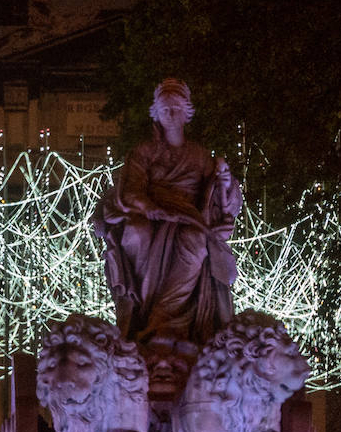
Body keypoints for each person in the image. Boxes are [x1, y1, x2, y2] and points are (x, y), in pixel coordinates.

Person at [96, 79, 242, 346]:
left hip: (189, 219)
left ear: (186, 112)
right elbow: (130, 191)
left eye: (175, 108)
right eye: (165, 109)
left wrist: (226, 182)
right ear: (157, 113)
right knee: (136, 235)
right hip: (151, 216)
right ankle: (140, 313)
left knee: (195, 242)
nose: (171, 114)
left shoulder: (199, 155)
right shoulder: (144, 152)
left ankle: (162, 321)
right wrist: (154, 210)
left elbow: (220, 200)